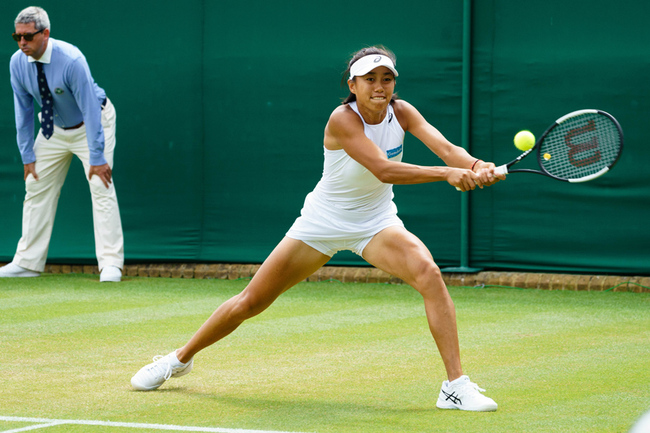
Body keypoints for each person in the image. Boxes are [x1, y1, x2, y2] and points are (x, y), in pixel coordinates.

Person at [131, 46, 504, 411]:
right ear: (352, 84)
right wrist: (448, 174)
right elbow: (384, 170)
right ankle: (178, 359)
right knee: (251, 302)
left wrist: (473, 165)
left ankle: (454, 387)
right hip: (322, 222)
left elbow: (445, 148)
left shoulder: (402, 112)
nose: (379, 86)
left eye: (386, 79)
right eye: (369, 78)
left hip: (375, 222)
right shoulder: (342, 119)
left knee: (429, 272)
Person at [0, 7, 124, 282]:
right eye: (17, 37)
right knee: (35, 184)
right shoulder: (17, 63)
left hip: (93, 122)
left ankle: (111, 264)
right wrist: (27, 154)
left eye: (28, 37)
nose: (22, 43)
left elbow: (90, 109)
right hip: (52, 128)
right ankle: (27, 263)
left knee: (100, 184)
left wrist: (97, 155)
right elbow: (23, 111)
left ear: (45, 33)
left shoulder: (71, 59)